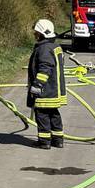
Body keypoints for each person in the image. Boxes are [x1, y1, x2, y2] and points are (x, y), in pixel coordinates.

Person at [27, 20, 67, 149]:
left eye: (36, 32)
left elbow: (46, 68)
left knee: (42, 114)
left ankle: (44, 142)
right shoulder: (55, 46)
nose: (35, 34)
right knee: (54, 113)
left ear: (41, 34)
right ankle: (58, 140)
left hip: (47, 89)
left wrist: (38, 84)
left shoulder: (44, 49)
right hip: (56, 89)